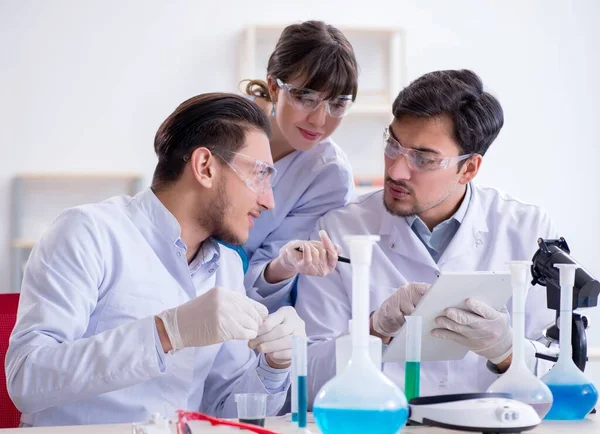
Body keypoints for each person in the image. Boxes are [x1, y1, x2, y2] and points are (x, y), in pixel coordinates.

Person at [5, 94, 306, 426]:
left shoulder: (226, 267)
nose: (269, 201)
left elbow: (224, 408)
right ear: (205, 167)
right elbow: (27, 378)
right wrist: (166, 332)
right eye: (260, 176)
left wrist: (275, 366)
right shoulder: (89, 233)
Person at [293, 70, 558, 404]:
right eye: (392, 145)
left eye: (423, 158)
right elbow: (307, 380)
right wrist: (374, 330)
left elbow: (562, 372)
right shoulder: (340, 231)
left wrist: (506, 351)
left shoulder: (527, 231)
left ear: (469, 169)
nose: (395, 170)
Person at [240, 20, 359, 311]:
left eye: (338, 104)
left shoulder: (328, 174)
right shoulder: (222, 124)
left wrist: (284, 263)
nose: (319, 121)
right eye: (306, 98)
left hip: (243, 308)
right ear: (273, 87)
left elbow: (261, 279)